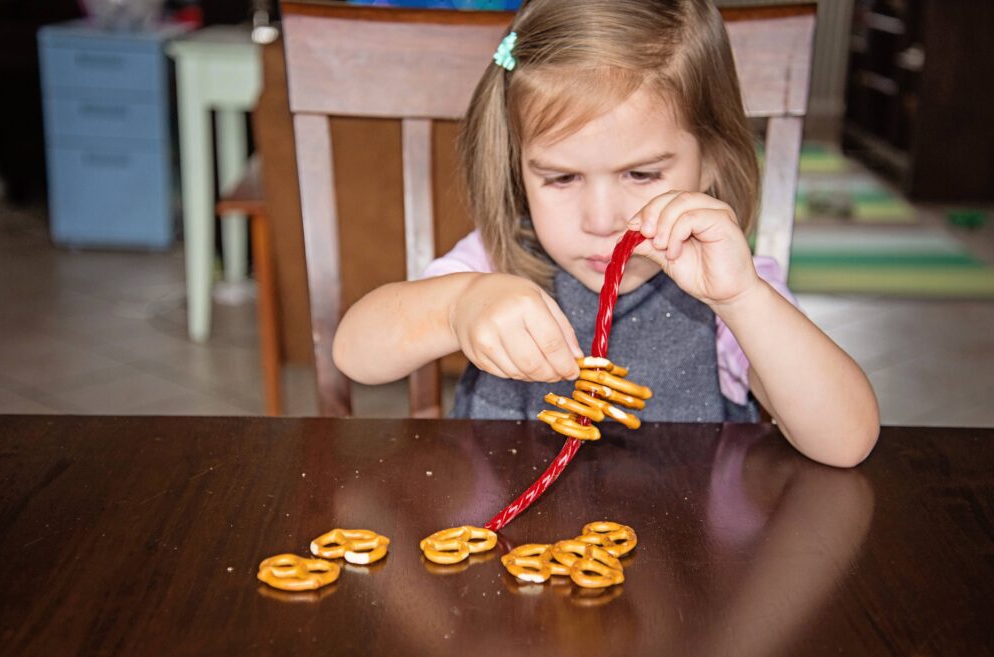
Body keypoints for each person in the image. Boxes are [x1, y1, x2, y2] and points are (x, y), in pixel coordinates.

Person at [333, 0, 879, 468]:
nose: (602, 220)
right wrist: (456, 307)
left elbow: (847, 442)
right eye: (561, 177)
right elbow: (355, 354)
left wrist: (742, 301)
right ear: (517, 166)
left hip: (689, 575)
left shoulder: (727, 283)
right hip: (504, 568)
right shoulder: (494, 260)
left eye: (641, 175)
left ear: (711, 159)